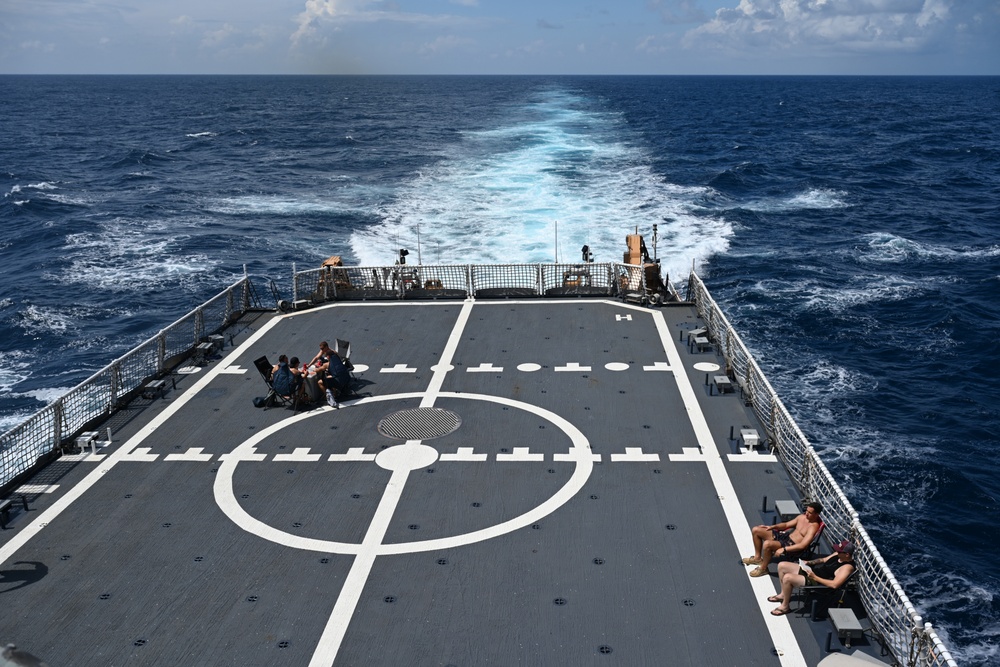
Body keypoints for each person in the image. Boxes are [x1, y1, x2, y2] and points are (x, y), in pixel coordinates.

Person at [767, 539, 856, 616]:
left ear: (847, 554)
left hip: (819, 583)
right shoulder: (838, 555)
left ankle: (785, 606)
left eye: (840, 551)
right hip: (814, 573)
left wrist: (815, 577)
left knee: (787, 578)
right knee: (782, 565)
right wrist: (809, 562)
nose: (837, 552)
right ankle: (783, 594)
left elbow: (834, 585)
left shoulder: (847, 568)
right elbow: (824, 560)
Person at [742, 501, 823, 577]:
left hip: (793, 546)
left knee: (767, 544)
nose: (806, 514)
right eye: (806, 511)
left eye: (810, 513)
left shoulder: (813, 527)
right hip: (786, 537)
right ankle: (757, 558)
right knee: (756, 530)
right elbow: (786, 525)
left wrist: (784, 549)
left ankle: (763, 569)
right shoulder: (801, 517)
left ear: (816, 514)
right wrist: (772, 527)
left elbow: (803, 545)